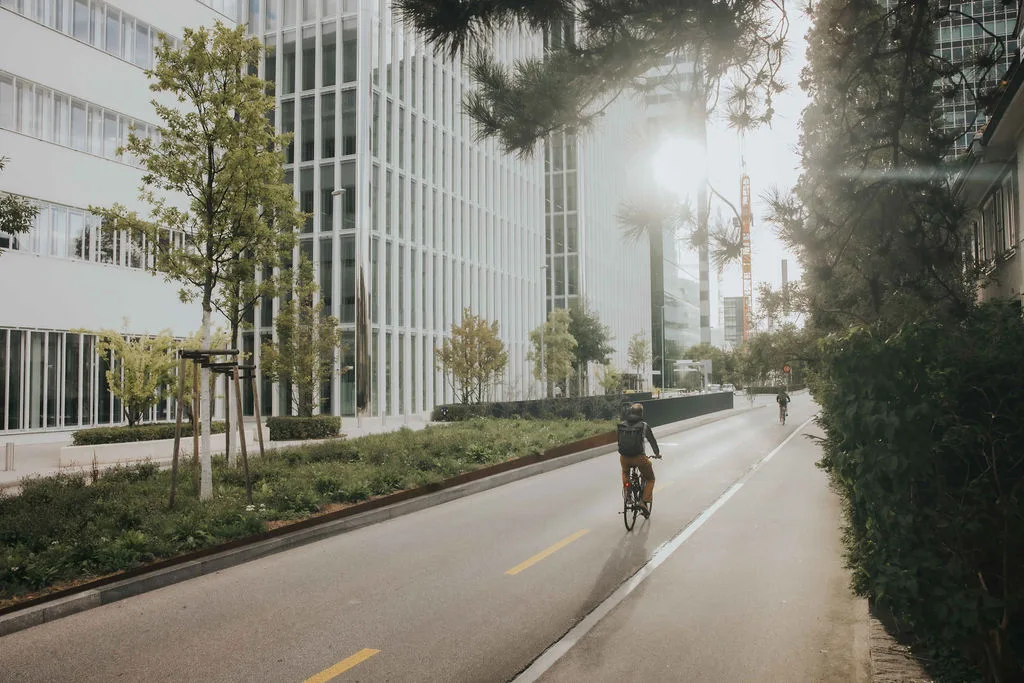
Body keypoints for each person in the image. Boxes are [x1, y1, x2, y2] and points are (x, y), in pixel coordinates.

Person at [616, 403, 661, 517]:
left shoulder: (622, 424)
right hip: (639, 458)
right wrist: (657, 454)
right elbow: (652, 441)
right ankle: (643, 502)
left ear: (630, 412)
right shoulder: (644, 426)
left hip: (624, 457)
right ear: (641, 413)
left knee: (625, 472)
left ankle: (628, 494)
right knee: (650, 478)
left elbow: (619, 441)